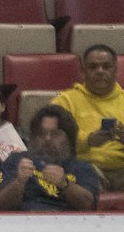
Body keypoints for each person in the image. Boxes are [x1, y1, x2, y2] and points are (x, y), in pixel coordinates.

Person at [0, 104, 99, 212]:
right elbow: (1, 206)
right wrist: (19, 182)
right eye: (41, 133)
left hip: (66, 223)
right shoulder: (15, 160)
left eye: (55, 134)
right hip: (24, 222)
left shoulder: (81, 167)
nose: (47, 139)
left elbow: (89, 206)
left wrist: (65, 185)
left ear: (69, 138)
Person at [50, 44, 124, 190]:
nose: (100, 71)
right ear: (83, 72)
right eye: (93, 67)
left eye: (106, 66)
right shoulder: (64, 101)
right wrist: (88, 140)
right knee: (85, 174)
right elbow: (52, 142)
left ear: (116, 71)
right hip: (84, 169)